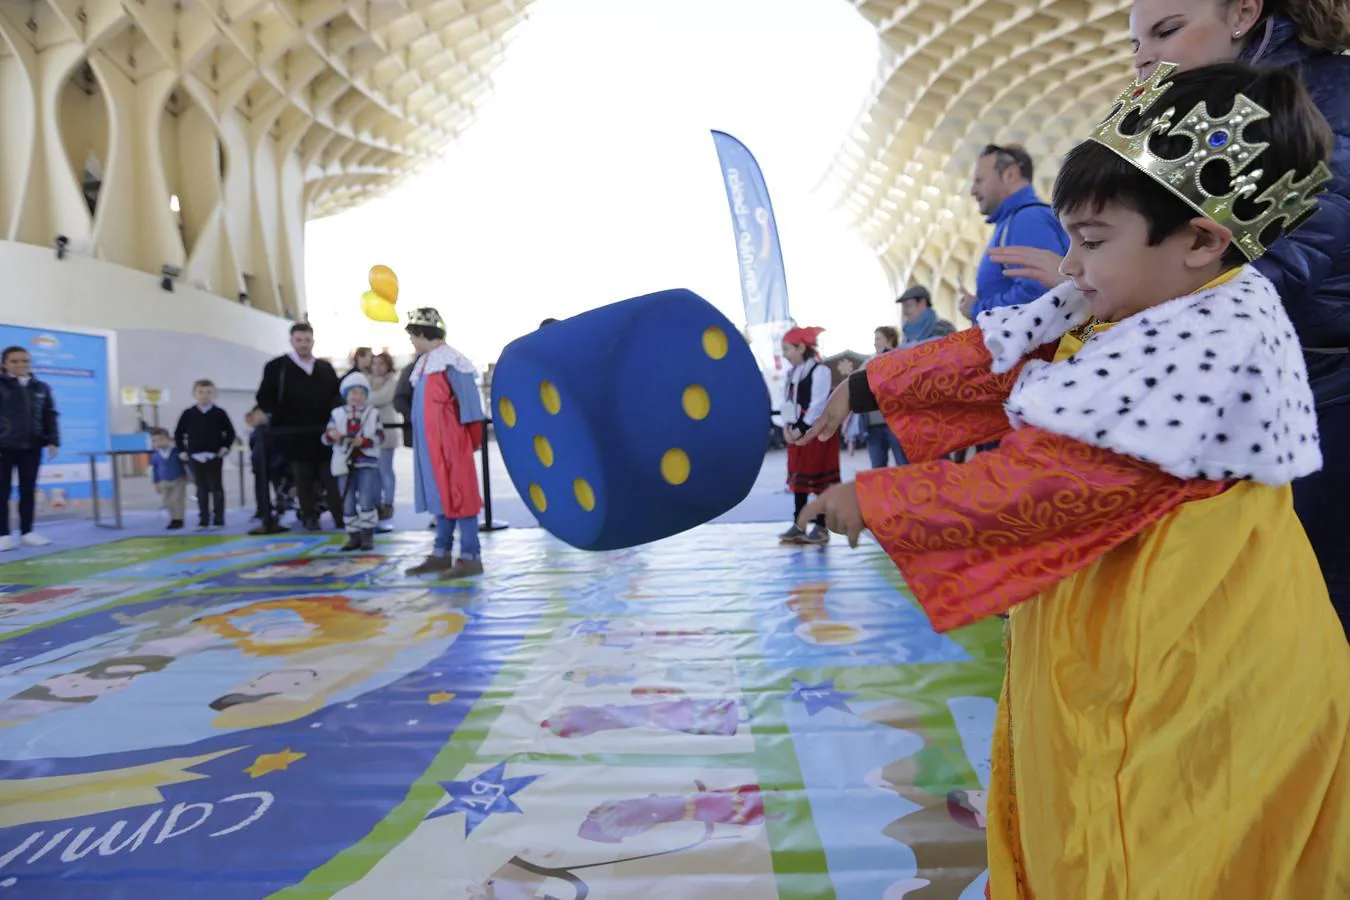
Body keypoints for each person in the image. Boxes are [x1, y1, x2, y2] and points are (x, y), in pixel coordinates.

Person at [797, 63, 1350, 898]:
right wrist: (873, 382)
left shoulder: (1201, 349)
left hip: (1180, 671)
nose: (1071, 268)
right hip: (1121, 645)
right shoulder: (1138, 305)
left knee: (1149, 846)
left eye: (1091, 242)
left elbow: (1056, 482)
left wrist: (875, 499)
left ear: (1202, 239)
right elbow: (1004, 355)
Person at [992, 0, 1350, 628]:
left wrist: (1108, 283)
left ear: (1243, 12)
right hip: (1252, 398)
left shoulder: (1322, 106)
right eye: (1135, 43)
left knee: (1295, 618)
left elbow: (1285, 260)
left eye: (1166, 31)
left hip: (1322, 403)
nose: (1145, 58)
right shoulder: (1191, 115)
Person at [404, 308, 486, 578]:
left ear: (421, 333)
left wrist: (470, 443)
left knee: (461, 495)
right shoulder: (426, 364)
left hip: (452, 445)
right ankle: (441, 552)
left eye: (412, 336)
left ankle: (470, 556)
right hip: (430, 447)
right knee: (440, 496)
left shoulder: (453, 362)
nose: (412, 342)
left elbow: (471, 407)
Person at [960, 143, 1069, 321]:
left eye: (979, 180)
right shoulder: (1015, 221)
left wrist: (977, 309)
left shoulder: (1026, 220)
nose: (973, 190)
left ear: (1010, 175)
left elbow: (1038, 296)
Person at [256, 322, 344, 532]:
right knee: (302, 477)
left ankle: (340, 516)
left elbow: (336, 396)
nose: (303, 344)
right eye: (299, 340)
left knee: (331, 476)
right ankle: (309, 516)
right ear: (292, 341)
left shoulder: (325, 368)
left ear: (313, 341)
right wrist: (280, 418)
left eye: (307, 340)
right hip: (293, 435)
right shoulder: (277, 367)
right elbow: (264, 397)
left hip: (324, 433)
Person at [778, 326, 836, 546]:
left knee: (819, 480)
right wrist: (786, 426)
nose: (785, 354)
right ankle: (799, 524)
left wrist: (801, 427)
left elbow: (818, 403)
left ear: (801, 347)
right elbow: (788, 403)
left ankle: (821, 526)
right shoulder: (791, 374)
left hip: (816, 432)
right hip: (797, 432)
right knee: (799, 480)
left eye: (787, 349)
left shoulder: (820, 371)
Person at [0, 347, 58, 550]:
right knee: (2, 491)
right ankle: (3, 534)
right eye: (14, 361)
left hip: (32, 447)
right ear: (4, 364)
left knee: (28, 491)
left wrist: (53, 440)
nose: (21, 365)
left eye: (25, 361)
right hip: (4, 447)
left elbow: (50, 415)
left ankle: (27, 531)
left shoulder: (41, 387)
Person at [323, 371, 384, 552]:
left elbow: (380, 435)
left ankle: (367, 535)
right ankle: (353, 536)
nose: (357, 397)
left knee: (366, 499)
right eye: (353, 393)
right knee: (347, 501)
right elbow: (325, 438)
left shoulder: (373, 414)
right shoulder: (337, 414)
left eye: (361, 393)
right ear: (346, 395)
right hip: (344, 463)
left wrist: (365, 441)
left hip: (367, 462)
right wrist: (331, 436)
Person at [173, 379, 236, 531]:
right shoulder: (188, 414)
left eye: (209, 392)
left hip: (214, 455)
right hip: (195, 456)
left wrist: (225, 447)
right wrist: (182, 450)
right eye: (201, 392)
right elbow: (178, 433)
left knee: (217, 488)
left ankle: (219, 519)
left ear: (214, 394)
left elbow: (230, 432)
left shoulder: (219, 413)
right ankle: (203, 519)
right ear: (194, 394)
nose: (205, 395)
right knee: (201, 488)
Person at [862, 326, 906, 468]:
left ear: (890, 339)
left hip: (896, 420)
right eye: (874, 339)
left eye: (878, 338)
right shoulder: (869, 361)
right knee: (877, 467)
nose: (875, 343)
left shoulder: (901, 358)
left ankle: (907, 490)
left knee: (903, 463)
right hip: (873, 424)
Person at [244, 407, 289, 536]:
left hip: (275, 467)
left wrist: (278, 463)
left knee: (279, 492)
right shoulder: (255, 433)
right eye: (255, 415)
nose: (257, 417)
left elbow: (281, 448)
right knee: (261, 492)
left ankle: (278, 515)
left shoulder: (274, 430)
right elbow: (253, 448)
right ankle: (264, 516)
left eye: (260, 414)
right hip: (259, 467)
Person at [367, 351, 400, 519]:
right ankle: (375, 503)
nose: (377, 367)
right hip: (368, 434)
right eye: (374, 363)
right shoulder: (366, 381)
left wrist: (365, 399)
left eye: (381, 364)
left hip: (386, 432)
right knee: (373, 472)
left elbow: (382, 398)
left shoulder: (392, 383)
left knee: (385, 470)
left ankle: (388, 503)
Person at [148, 427, 187, 530]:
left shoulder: (176, 451)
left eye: (161, 439)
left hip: (178, 479)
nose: (158, 443)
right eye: (154, 441)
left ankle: (179, 520)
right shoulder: (155, 455)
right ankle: (173, 518)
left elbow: (186, 464)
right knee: (167, 501)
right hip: (163, 481)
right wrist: (156, 482)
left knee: (177, 499)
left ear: (169, 439)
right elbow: (155, 469)